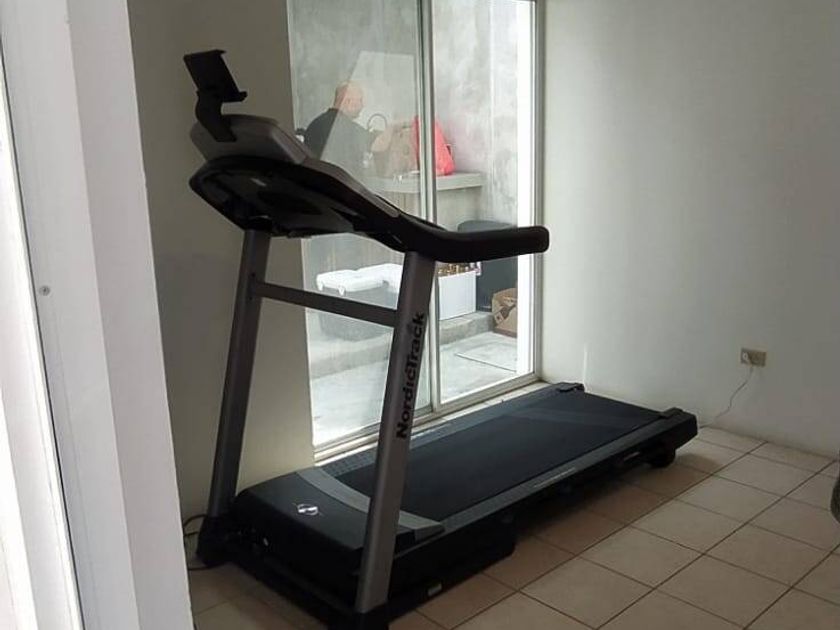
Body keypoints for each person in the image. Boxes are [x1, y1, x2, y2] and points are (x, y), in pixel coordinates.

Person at [304, 82, 397, 175]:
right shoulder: (349, 129)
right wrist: (393, 126)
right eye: (360, 100)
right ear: (347, 101)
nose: (362, 105)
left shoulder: (315, 124)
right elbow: (379, 145)